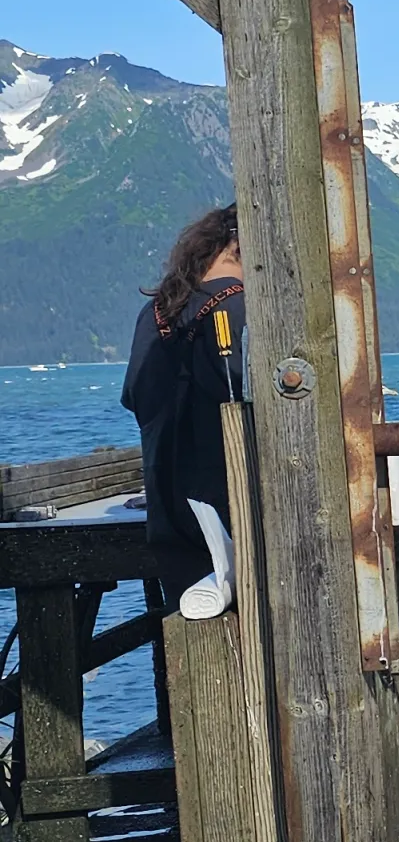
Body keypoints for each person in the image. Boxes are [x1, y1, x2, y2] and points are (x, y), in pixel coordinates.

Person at [121, 205, 246, 604]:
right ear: (240, 246)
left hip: (170, 517)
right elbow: (245, 389)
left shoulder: (156, 311)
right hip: (231, 515)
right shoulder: (232, 303)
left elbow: (134, 397)